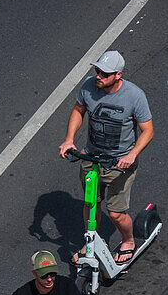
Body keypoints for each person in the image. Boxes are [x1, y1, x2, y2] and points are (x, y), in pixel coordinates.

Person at [59, 50, 154, 265]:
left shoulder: (135, 96)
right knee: (91, 204)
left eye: (104, 73)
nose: (99, 76)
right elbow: (78, 110)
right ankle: (91, 241)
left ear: (118, 75)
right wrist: (69, 139)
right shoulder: (88, 86)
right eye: (97, 71)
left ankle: (128, 241)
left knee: (116, 213)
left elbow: (148, 130)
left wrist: (131, 155)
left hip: (119, 163)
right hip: (91, 158)